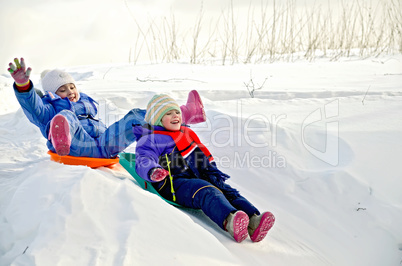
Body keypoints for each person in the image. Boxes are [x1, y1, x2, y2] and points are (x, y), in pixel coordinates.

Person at [133, 94, 275, 243]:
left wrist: (210, 168)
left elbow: (200, 152)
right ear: (158, 119)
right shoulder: (151, 138)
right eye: (168, 113)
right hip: (174, 183)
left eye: (177, 112)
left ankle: (254, 221)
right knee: (206, 190)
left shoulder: (185, 133)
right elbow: (143, 159)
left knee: (226, 190)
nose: (175, 116)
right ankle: (231, 221)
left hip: (198, 175)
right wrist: (153, 171)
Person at [7, 57, 206, 158]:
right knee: (65, 116)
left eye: (72, 86)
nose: (69, 91)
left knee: (135, 116)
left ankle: (184, 114)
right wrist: (24, 86)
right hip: (76, 147)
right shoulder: (49, 110)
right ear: (52, 95)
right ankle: (61, 137)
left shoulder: (86, 104)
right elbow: (33, 108)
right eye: (62, 90)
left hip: (103, 146)